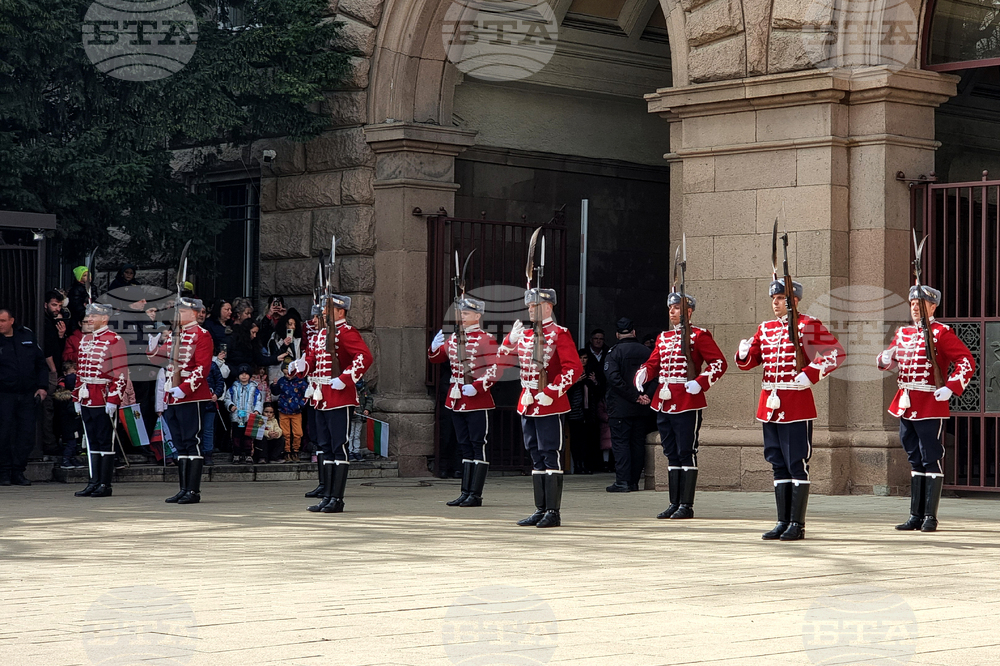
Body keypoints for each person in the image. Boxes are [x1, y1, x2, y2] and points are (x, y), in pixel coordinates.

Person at [736, 280, 845, 541]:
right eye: (773, 298)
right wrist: (742, 353)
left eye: (781, 298)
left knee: (796, 463)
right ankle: (782, 521)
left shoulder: (808, 324)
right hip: (769, 404)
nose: (775, 303)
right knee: (777, 463)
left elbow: (835, 354)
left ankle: (797, 523)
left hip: (795, 403)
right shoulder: (766, 328)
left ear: (794, 300)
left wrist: (810, 374)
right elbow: (751, 361)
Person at [878, 284, 975, 532]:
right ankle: (915, 515)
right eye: (912, 304)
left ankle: (930, 517)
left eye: (920, 304)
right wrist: (885, 359)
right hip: (906, 403)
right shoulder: (903, 334)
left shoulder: (941, 333)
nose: (915, 308)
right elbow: (889, 359)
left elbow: (965, 361)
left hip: (930, 403)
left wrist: (952, 388)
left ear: (932, 306)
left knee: (930, 457)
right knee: (914, 458)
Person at [635, 293, 728, 518]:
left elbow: (719, 363)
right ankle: (673, 503)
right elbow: (655, 361)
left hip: (687, 399)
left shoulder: (699, 335)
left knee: (686, 451)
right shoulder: (664, 337)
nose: (672, 312)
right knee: (671, 453)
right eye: (671, 308)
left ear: (689, 311)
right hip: (664, 399)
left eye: (677, 308)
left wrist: (700, 382)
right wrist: (645, 371)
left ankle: (686, 505)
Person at [498, 289, 583, 528]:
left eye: (534, 306)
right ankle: (540, 508)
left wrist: (552, 392)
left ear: (548, 307)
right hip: (527, 402)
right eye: (529, 306)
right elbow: (502, 359)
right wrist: (509, 341)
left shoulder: (559, 334)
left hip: (548, 403)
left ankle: (553, 512)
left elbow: (573, 369)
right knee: (535, 454)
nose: (530, 310)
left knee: (549, 453)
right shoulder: (525, 335)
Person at [290, 293, 373, 514]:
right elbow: (311, 361)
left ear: (340, 311)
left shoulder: (346, 332)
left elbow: (364, 357)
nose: (323, 312)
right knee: (324, 447)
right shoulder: (319, 336)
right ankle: (327, 496)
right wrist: (299, 367)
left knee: (338, 447)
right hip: (320, 396)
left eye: (328, 309)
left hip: (339, 396)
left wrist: (345, 379)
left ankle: (337, 498)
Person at [428, 296, 500, 507]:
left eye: (467, 313)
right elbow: (438, 357)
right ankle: (465, 492)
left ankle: (475, 494)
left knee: (478, 445)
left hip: (477, 399)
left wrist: (477, 386)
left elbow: (495, 369)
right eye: (461, 313)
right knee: (464, 446)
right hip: (457, 398)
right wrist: (434, 347)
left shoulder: (486, 339)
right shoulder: (455, 338)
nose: (462, 316)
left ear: (477, 315)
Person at [149, 297, 213, 504]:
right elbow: (157, 358)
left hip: (190, 396)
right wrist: (154, 342)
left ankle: (193, 491)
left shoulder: (202, 335)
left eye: (183, 312)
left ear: (194, 314)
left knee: (191, 440)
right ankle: (183, 489)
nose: (178, 315)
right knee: (179, 442)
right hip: (173, 396)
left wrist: (184, 389)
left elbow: (202, 368)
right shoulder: (176, 335)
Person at [71, 302, 129, 498]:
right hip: (87, 395)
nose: (89, 320)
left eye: (93, 316)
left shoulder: (115, 340)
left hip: (104, 395)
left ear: (104, 318)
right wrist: (76, 396)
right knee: (92, 440)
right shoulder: (86, 340)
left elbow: (120, 372)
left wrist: (114, 397)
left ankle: (105, 483)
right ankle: (93, 481)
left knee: (105, 441)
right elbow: (81, 371)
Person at [603, 317, 653, 493]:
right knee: (637, 443)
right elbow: (656, 375)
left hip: (620, 407)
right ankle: (633, 482)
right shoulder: (646, 351)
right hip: (642, 407)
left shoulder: (614, 353)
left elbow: (614, 379)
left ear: (617, 334)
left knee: (621, 443)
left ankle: (623, 481)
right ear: (634, 332)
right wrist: (645, 396)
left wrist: (633, 396)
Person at [0, 308, 49, 486]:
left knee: (26, 434)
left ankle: (18, 471)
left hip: (28, 394)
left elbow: (40, 364)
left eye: (2, 320)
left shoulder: (26, 335)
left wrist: (42, 387)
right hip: (4, 395)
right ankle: (4, 472)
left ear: (11, 320)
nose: (0, 324)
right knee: (3, 434)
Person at [271, 358, 307, 462]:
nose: (288, 376)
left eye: (290, 373)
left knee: (298, 433)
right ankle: (287, 452)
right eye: (286, 374)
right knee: (285, 433)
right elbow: (276, 392)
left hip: (296, 411)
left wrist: (300, 405)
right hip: (283, 410)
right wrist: (274, 385)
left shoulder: (301, 382)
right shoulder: (282, 380)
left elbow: (306, 395)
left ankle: (295, 451)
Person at [225, 364, 262, 464]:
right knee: (236, 437)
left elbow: (259, 400)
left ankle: (248, 454)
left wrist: (257, 410)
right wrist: (231, 406)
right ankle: (236, 454)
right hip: (236, 417)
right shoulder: (233, 388)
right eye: (241, 374)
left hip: (249, 416)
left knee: (248, 437)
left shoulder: (254, 388)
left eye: (246, 374)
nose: (244, 376)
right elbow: (227, 399)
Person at [54, 361, 85, 469]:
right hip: (68, 422)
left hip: (73, 421)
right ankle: (66, 459)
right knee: (71, 441)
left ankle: (72, 458)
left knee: (75, 441)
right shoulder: (66, 396)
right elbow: (69, 409)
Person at [266, 309, 303, 385]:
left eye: (294, 324)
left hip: (294, 376)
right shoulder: (274, 339)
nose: (293, 327)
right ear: (284, 325)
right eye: (290, 324)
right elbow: (274, 357)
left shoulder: (297, 340)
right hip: (277, 375)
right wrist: (284, 346)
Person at [227, 319, 270, 384]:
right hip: (231, 377)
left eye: (256, 333)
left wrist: (277, 358)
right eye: (253, 332)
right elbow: (226, 360)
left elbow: (260, 359)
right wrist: (236, 373)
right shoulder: (232, 341)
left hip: (246, 377)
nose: (255, 336)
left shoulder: (253, 344)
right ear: (247, 331)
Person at [347, 378, 374, 462]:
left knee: (357, 434)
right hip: (352, 414)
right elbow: (346, 399)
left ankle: (356, 451)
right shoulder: (349, 385)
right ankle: (350, 451)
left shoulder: (364, 386)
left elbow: (369, 399)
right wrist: (351, 409)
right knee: (350, 434)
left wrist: (367, 409)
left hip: (360, 413)